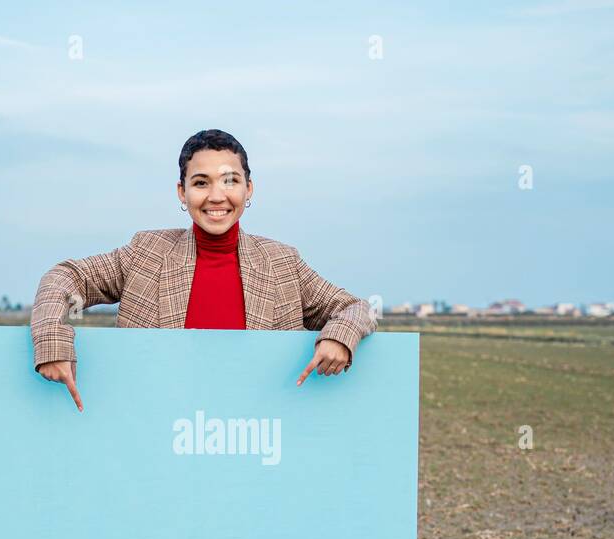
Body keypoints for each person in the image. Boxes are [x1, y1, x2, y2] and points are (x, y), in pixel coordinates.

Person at [30, 129, 376, 411]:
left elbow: (357, 307)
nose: (216, 196)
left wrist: (338, 337)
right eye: (200, 183)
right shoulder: (145, 254)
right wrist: (53, 344)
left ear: (248, 189)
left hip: (251, 440)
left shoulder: (283, 263)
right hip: (159, 437)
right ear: (182, 193)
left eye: (230, 181)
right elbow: (65, 277)